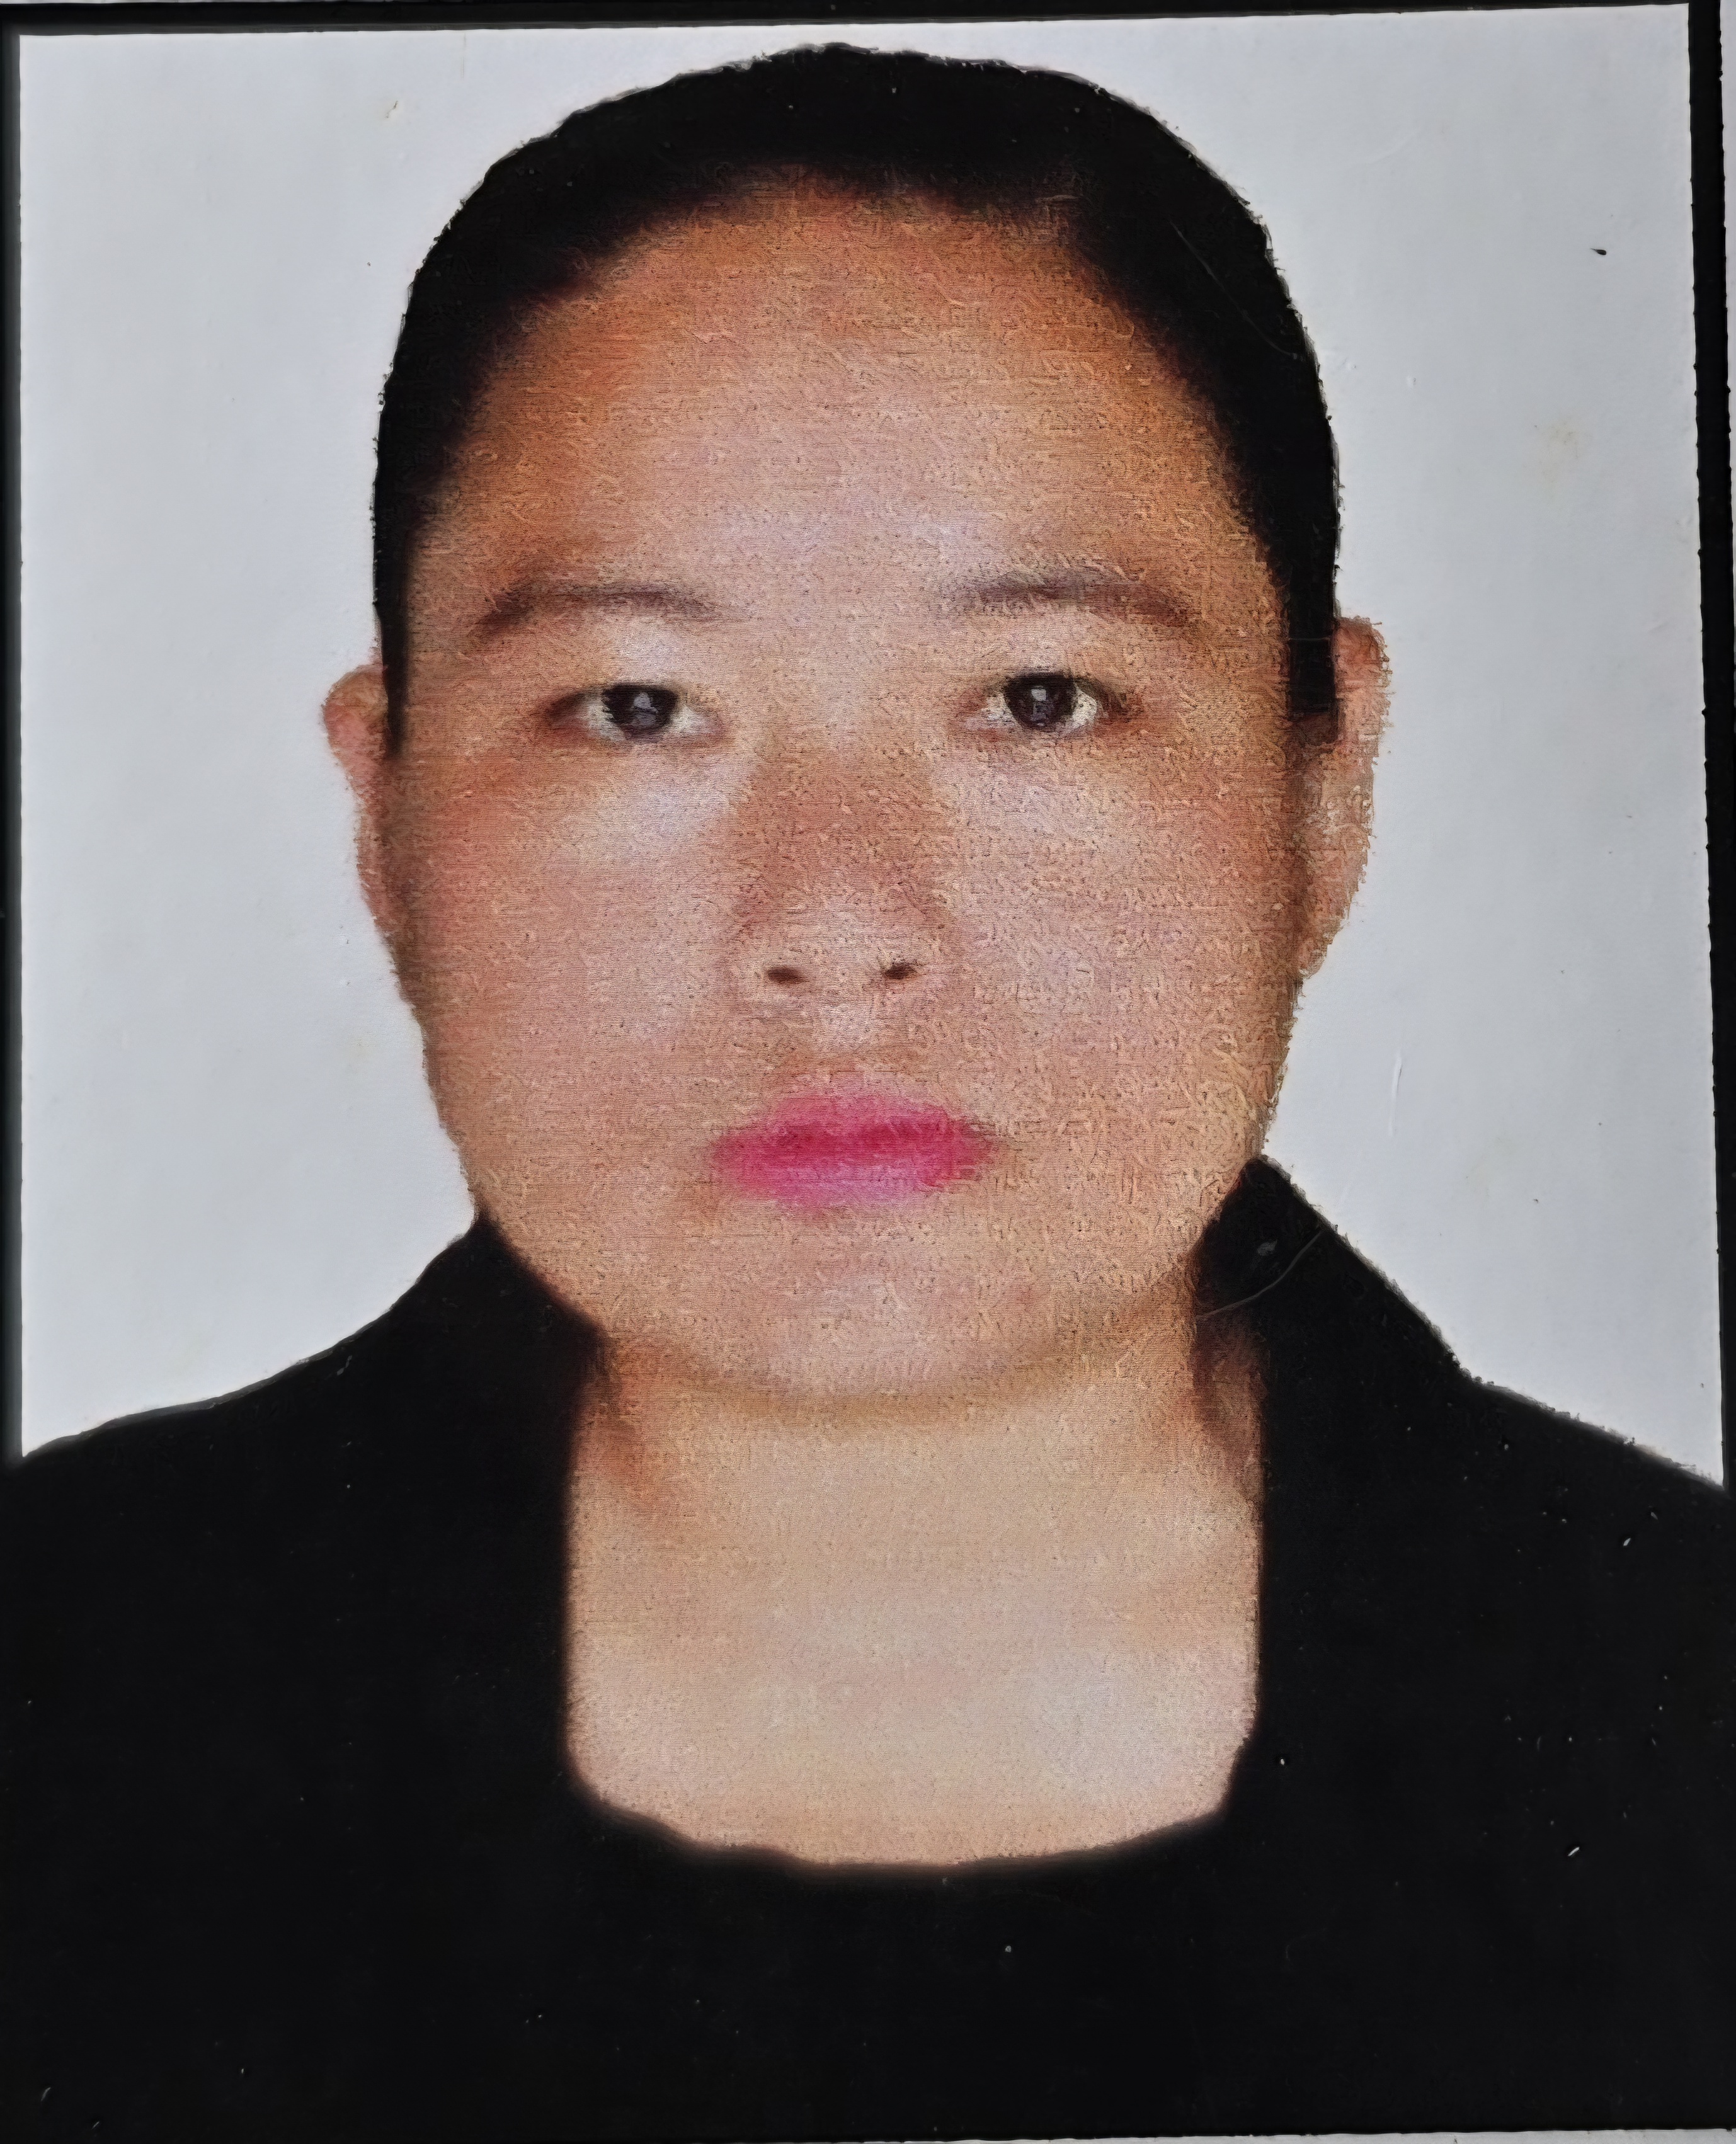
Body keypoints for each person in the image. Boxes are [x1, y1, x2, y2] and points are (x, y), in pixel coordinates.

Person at [4, 43, 1730, 2144]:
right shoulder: (58, 1685)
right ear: (388, 817)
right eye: (638, 707)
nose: (835, 926)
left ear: (1322, 789)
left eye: (1039, 699)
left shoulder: (1676, 1703)